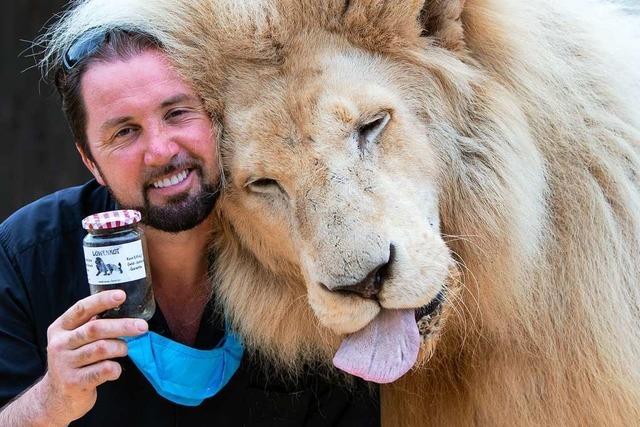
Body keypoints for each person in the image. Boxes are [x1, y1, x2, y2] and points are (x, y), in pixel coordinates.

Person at [0, 26, 379, 426]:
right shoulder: (26, 255)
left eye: (177, 113)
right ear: (90, 161)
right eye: (125, 132)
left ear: (216, 116)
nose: (161, 150)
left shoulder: (299, 234)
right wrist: (50, 401)